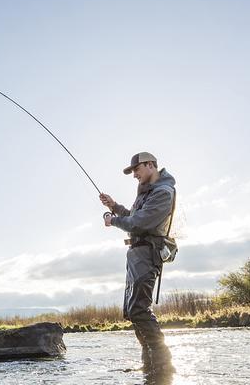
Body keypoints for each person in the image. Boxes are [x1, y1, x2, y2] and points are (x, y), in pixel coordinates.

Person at [100, 152, 176, 376]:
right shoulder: (148, 193)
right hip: (136, 256)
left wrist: (113, 221)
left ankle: (163, 364)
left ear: (150, 165)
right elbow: (133, 215)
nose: (134, 174)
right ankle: (150, 364)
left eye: (137, 169)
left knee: (139, 309)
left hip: (147, 254)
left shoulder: (163, 192)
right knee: (133, 311)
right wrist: (114, 206)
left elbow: (140, 222)